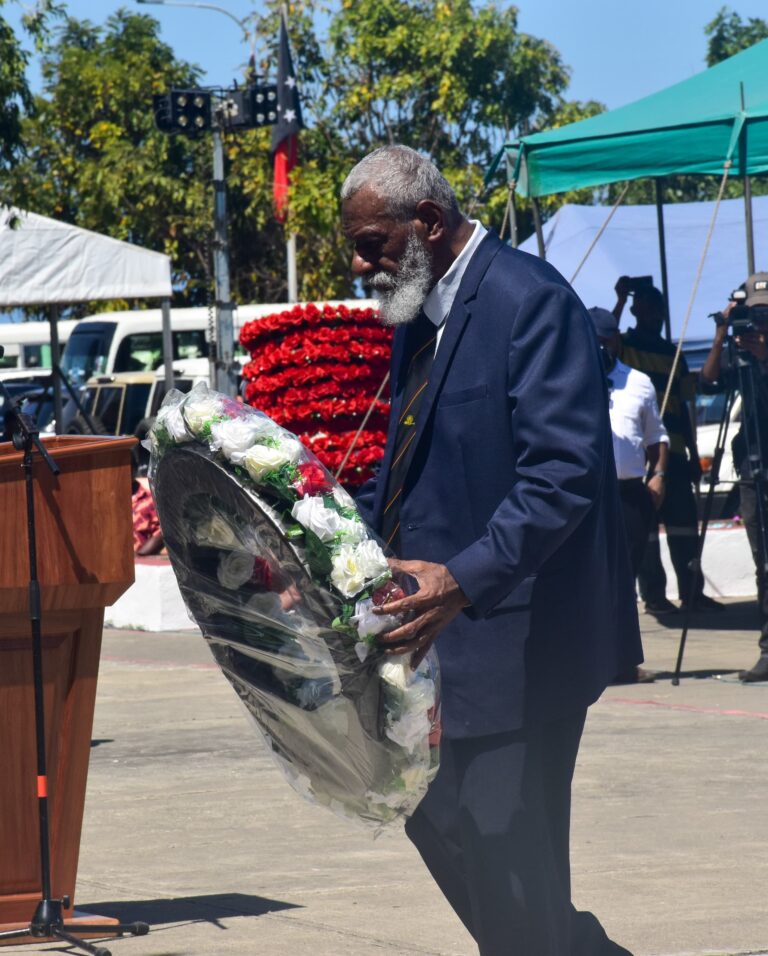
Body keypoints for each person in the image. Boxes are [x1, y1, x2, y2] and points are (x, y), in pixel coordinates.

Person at [342, 145, 641, 956]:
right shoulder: (422, 317)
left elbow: (562, 480)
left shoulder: (529, 301)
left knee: (510, 863)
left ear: (428, 224)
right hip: (441, 652)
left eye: (372, 243)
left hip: (521, 647)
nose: (361, 264)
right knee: (442, 826)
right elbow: (407, 473)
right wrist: (334, 557)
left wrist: (460, 580)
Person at [614, 278, 722, 615]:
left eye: (659, 307)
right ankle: (654, 596)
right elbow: (602, 339)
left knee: (684, 525)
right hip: (640, 453)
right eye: (647, 306)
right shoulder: (626, 346)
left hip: (673, 453)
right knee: (645, 532)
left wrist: (691, 452)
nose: (656, 314)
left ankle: (692, 591)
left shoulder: (671, 353)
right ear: (635, 309)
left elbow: (685, 403)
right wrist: (619, 299)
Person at [589, 307, 669, 684]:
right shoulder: (572, 378)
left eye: (607, 340)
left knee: (626, 577)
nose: (602, 347)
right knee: (593, 578)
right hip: (589, 496)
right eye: (596, 340)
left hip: (630, 493)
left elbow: (657, 436)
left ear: (616, 340)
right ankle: (593, 659)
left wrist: (658, 475)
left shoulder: (638, 382)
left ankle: (622, 662)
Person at [700, 273, 768, 682]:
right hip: (753, 470)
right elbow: (708, 380)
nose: (757, 328)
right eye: (752, 318)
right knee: (764, 566)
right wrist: (722, 333)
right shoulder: (741, 356)